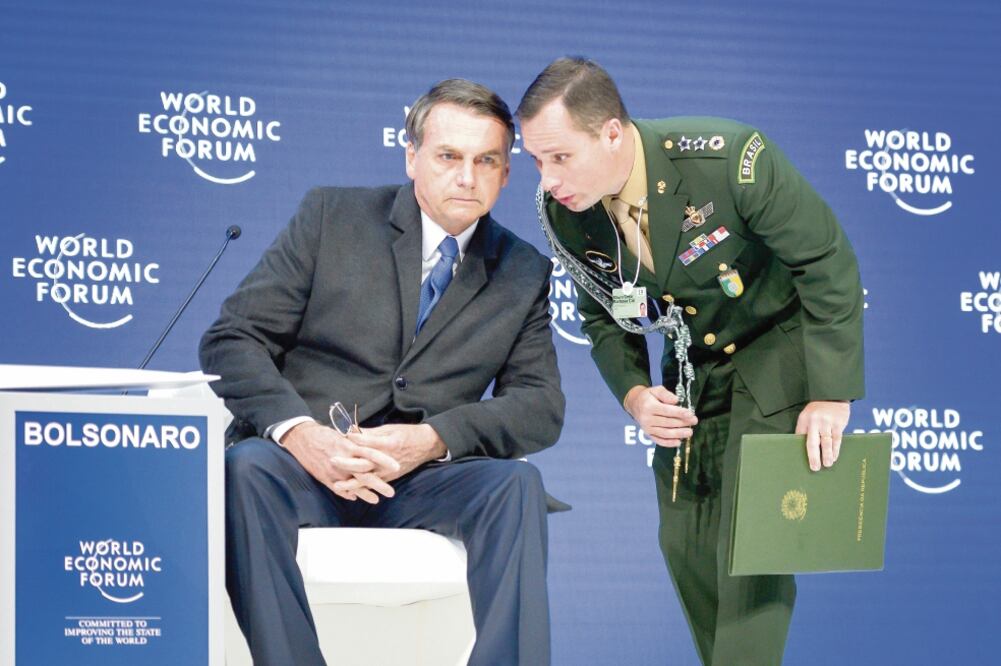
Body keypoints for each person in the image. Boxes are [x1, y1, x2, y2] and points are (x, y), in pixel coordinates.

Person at [200, 78, 565, 666]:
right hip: (303, 465)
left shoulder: (523, 270)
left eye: (486, 161)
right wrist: (301, 433)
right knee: (245, 468)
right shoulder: (332, 217)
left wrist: (434, 439)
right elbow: (232, 338)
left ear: (505, 173)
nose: (466, 177)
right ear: (412, 155)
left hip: (420, 479)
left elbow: (540, 405)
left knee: (516, 486)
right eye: (448, 156)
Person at [518, 57, 864, 665]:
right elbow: (603, 315)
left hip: (778, 352)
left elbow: (826, 263)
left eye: (560, 157)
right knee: (688, 548)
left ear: (612, 134)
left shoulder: (729, 158)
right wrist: (635, 393)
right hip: (694, 373)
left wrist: (831, 392)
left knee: (752, 552)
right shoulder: (566, 211)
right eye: (536, 161)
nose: (547, 179)